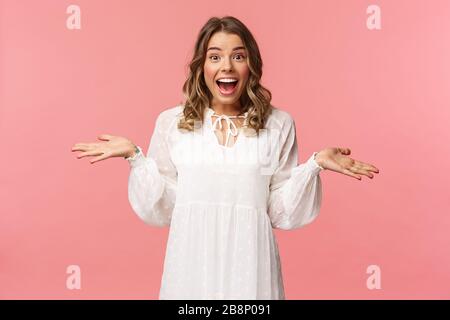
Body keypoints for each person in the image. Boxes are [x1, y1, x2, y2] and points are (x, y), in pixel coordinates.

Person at [71, 16, 379, 300]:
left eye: (238, 56)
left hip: (251, 269)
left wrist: (314, 164)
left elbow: (278, 209)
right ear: (201, 66)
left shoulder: (278, 124)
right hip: (191, 269)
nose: (227, 66)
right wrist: (135, 157)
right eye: (215, 56)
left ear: (251, 65)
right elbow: (164, 205)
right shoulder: (172, 123)